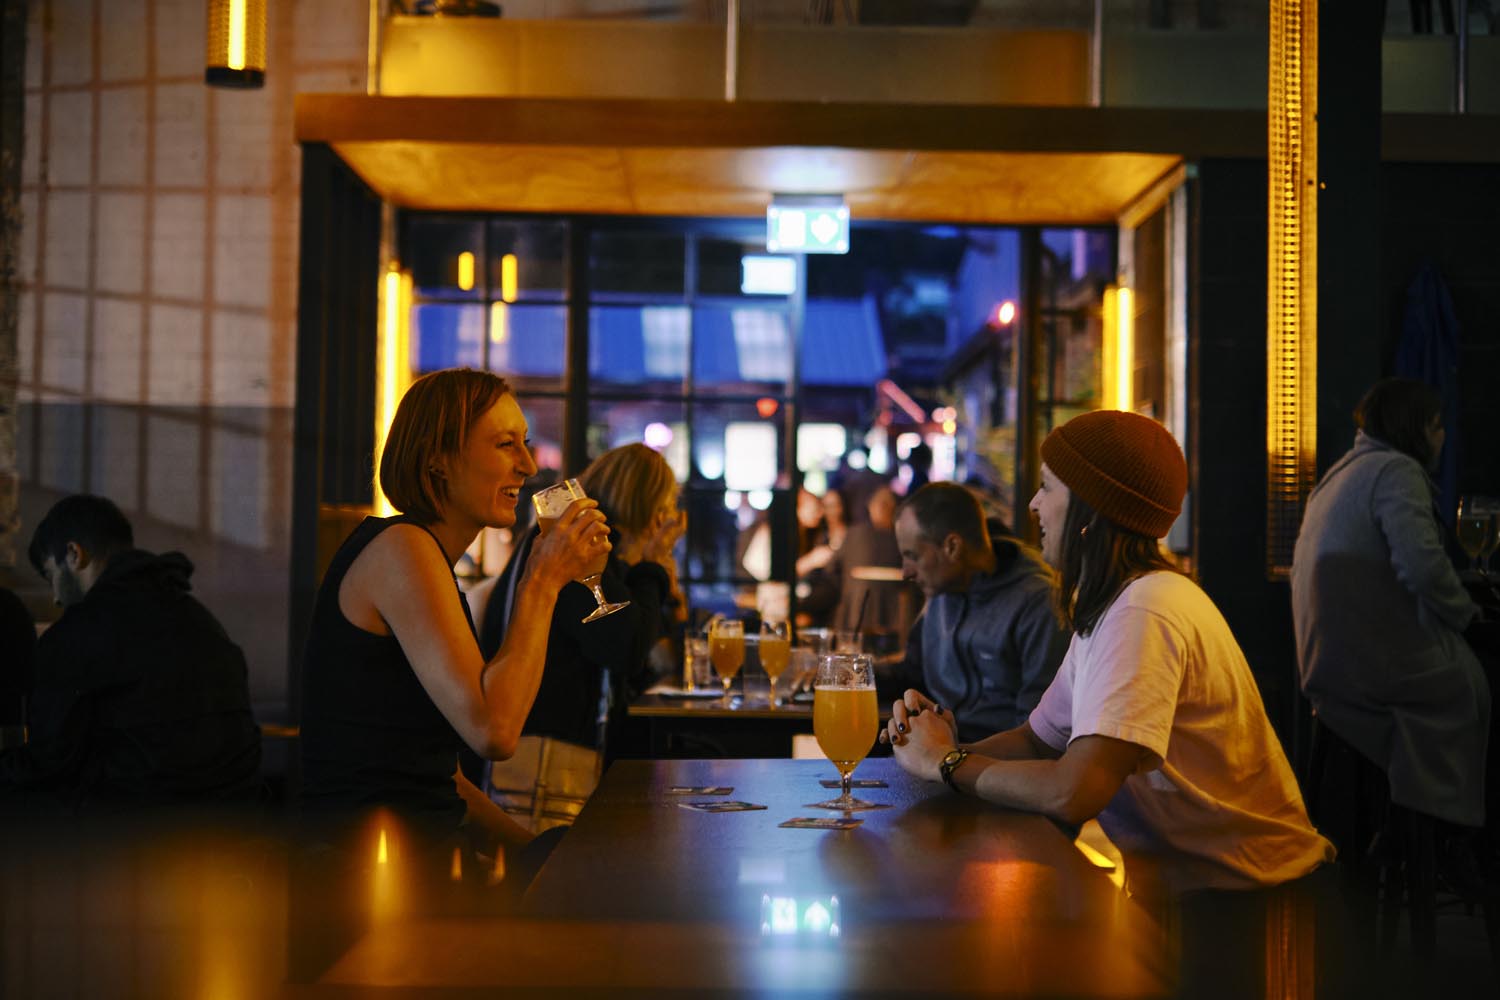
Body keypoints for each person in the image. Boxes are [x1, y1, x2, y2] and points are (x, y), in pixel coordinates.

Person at [885, 411, 1333, 915]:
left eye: (1046, 487)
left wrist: (947, 764)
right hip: (1197, 897)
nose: (1033, 504)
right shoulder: (1114, 605)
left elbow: (1075, 792)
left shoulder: (1146, 608)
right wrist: (946, 745)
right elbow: (1037, 739)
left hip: (1251, 905)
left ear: (1089, 510)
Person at [297, 368, 608, 859]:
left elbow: (441, 776)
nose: (528, 464)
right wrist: (542, 579)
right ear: (439, 460)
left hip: (406, 857)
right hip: (367, 874)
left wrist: (537, 853)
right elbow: (495, 732)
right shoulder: (402, 548)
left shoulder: (427, 558)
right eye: (506, 444)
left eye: (525, 443)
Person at [1292, 379, 1488, 833]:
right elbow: (1422, 568)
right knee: (1477, 677)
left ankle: (1432, 845)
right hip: (1366, 675)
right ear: (1414, 428)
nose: (1442, 437)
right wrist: (1467, 614)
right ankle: (1456, 842)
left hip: (1326, 667)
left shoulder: (1343, 472)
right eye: (1436, 426)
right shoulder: (1396, 471)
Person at [0, 495, 261, 810]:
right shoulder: (200, 619)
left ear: (73, 554)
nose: (55, 598)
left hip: (132, 841)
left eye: (50, 575)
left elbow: (47, 765)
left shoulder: (77, 635)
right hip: (233, 832)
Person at [477, 442, 686, 832]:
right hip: (541, 754)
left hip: (553, 740)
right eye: (664, 508)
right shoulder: (576, 546)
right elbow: (629, 648)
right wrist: (653, 570)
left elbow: (639, 657)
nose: (667, 519)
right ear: (648, 508)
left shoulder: (580, 545)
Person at [888, 482, 1068, 742]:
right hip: (940, 757)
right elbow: (911, 674)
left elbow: (1040, 737)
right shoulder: (943, 589)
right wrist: (845, 674)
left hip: (996, 770)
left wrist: (951, 760)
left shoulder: (1038, 604)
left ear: (952, 547)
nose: (906, 572)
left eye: (912, 556)